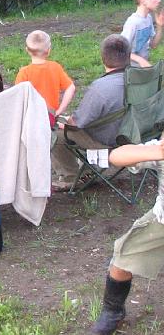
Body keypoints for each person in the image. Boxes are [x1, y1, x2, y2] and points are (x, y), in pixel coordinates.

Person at [90, 139, 164, 334]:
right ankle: (112, 312)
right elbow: (117, 156)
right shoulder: (159, 151)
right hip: (161, 220)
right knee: (123, 257)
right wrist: (157, 151)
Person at [50, 35, 130, 190]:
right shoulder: (142, 79)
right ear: (128, 55)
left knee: (54, 133)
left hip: (109, 141)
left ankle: (71, 177)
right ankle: (86, 170)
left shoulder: (101, 88)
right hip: (138, 136)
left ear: (103, 58)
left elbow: (76, 124)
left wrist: (64, 122)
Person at [15, 30, 75, 127]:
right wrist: (60, 110)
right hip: (50, 117)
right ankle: (58, 123)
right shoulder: (55, 67)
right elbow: (71, 87)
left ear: (27, 50)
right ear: (48, 50)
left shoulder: (24, 72)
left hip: (31, 120)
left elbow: (17, 98)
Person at [121, 0, 164, 67]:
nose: (159, 1)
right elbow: (121, 50)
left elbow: (153, 45)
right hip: (130, 70)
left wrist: (160, 26)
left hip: (142, 68)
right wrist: (140, 60)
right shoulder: (132, 22)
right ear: (143, 0)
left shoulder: (148, 18)